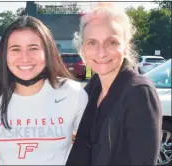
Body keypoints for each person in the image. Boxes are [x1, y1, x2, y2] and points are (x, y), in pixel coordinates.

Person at [0, 16, 88, 165]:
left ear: (47, 52)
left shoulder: (73, 93)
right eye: (15, 49)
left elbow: (89, 148)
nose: (25, 58)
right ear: (4, 54)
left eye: (33, 48)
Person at [66, 2, 162, 165]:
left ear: (125, 46)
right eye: (92, 43)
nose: (101, 52)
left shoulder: (138, 92)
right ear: (82, 48)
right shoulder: (94, 87)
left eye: (112, 42)